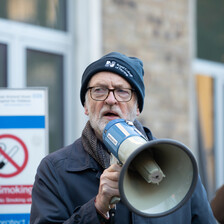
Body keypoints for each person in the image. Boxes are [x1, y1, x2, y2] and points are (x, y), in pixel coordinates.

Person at [30, 52, 216, 223]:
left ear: (137, 107)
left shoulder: (179, 166)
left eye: (122, 91)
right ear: (86, 106)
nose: (111, 100)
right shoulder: (55, 171)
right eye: (99, 90)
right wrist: (97, 209)